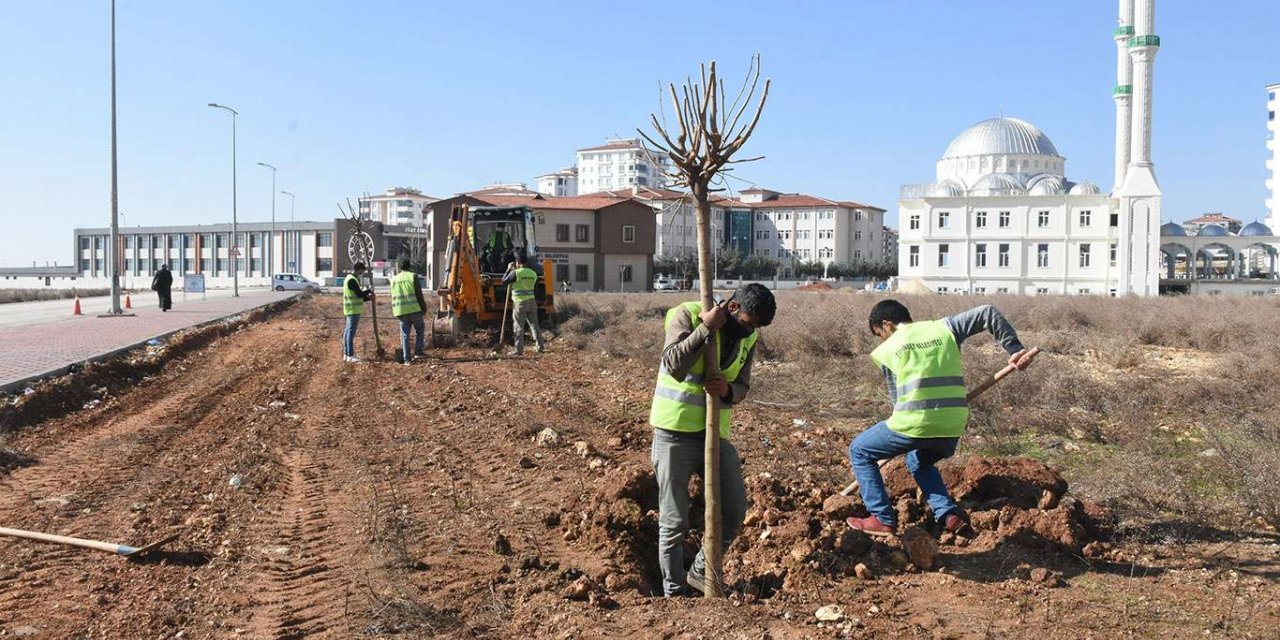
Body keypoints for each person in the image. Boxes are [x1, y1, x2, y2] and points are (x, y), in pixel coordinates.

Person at [846, 300, 1034, 537]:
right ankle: (947, 514)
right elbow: (987, 312)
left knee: (860, 451)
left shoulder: (886, 350)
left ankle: (881, 519)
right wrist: (1015, 349)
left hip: (912, 422)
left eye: (879, 334)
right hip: (952, 425)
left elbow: (897, 401)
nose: (882, 340)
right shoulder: (945, 328)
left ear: (887, 325)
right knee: (919, 461)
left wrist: (900, 437)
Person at [648, 283, 776, 597]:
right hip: (674, 432)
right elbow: (674, 363)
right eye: (748, 323)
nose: (751, 332)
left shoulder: (750, 336)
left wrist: (728, 392)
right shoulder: (688, 314)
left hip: (714, 435)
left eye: (757, 327)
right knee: (674, 519)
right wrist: (706, 327)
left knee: (733, 510)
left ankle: (699, 572)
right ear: (732, 308)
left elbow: (743, 385)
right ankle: (674, 592)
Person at [501, 253, 545, 356]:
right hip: (532, 302)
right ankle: (540, 346)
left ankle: (518, 350)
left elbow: (504, 281)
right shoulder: (533, 273)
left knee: (518, 327)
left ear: (517, 262)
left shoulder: (516, 273)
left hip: (520, 303)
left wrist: (508, 269)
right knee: (534, 325)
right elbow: (535, 286)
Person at [390, 258, 427, 365]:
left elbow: (392, 295)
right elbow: (419, 294)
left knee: (405, 335)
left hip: (401, 311)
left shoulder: (394, 279)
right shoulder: (412, 276)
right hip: (414, 309)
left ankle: (407, 360)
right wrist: (423, 308)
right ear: (409, 267)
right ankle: (418, 352)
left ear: (400, 267)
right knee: (420, 329)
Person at [341, 262, 375, 363]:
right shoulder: (352, 280)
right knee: (350, 332)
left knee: (348, 331)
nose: (362, 273)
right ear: (358, 269)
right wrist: (369, 291)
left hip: (350, 308)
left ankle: (346, 354)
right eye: (362, 271)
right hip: (353, 310)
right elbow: (359, 294)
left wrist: (368, 298)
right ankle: (350, 355)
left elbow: (357, 296)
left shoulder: (349, 279)